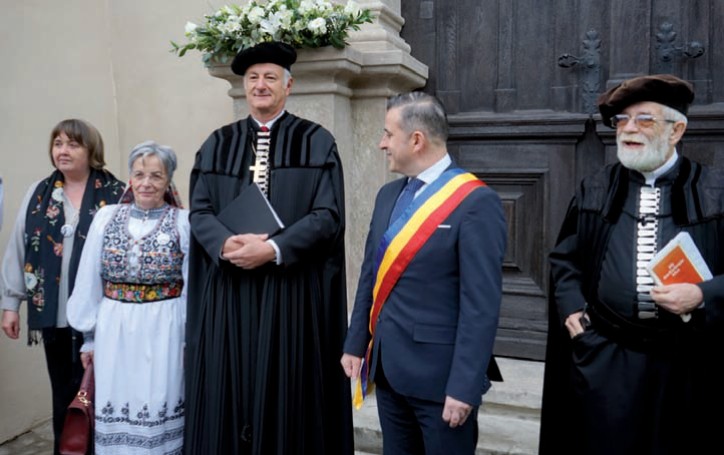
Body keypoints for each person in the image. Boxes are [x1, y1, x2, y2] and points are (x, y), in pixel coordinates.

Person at [539, 74, 724, 455]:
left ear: (677, 130)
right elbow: (565, 258)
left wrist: (701, 294)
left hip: (686, 362)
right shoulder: (596, 187)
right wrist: (572, 308)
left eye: (643, 119)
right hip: (608, 356)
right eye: (621, 121)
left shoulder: (715, 190)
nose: (628, 129)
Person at [184, 41, 352, 455]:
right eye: (253, 78)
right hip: (231, 293)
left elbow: (327, 216)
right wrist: (224, 243)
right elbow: (199, 210)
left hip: (289, 293)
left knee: (288, 387)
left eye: (270, 78)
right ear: (244, 86)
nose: (260, 85)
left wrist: (274, 249)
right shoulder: (217, 144)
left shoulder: (316, 141)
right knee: (231, 383)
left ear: (288, 86)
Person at [341, 92, 507, 455]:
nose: (381, 143)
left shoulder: (476, 202)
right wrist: (356, 344)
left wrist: (464, 387)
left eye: (388, 133)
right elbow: (370, 274)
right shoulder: (387, 195)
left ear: (416, 140)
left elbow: (480, 306)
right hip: (388, 371)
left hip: (441, 382)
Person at [0, 119, 124, 455]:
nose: (63, 151)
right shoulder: (38, 193)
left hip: (103, 318)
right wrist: (11, 303)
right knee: (63, 395)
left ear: (91, 150)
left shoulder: (116, 194)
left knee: (101, 395)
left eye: (72, 144)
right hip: (54, 313)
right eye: (58, 143)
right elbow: (18, 248)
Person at [66, 140, 188, 454]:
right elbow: (89, 279)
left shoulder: (183, 224)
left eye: (156, 176)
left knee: (158, 396)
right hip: (114, 327)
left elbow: (192, 287)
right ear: (130, 178)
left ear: (168, 180)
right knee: (117, 397)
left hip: (164, 326)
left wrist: (188, 337)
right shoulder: (106, 219)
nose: (146, 183)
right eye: (139, 174)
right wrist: (89, 337)